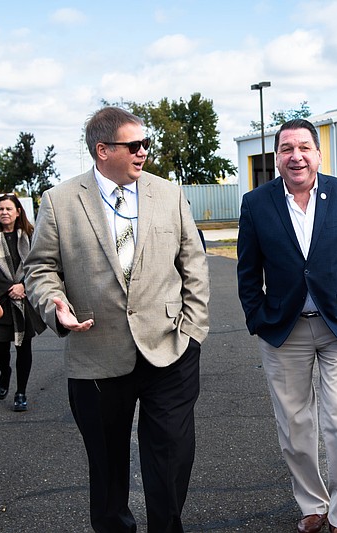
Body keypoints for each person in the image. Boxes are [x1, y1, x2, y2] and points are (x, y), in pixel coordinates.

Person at [24, 106, 210, 533]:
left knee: (171, 457)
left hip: (171, 347)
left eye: (146, 143)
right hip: (97, 352)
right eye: (134, 145)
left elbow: (193, 264)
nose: (144, 151)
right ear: (102, 149)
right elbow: (39, 268)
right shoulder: (60, 201)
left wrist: (193, 330)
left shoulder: (169, 193)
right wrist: (55, 302)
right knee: (107, 468)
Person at [236, 119, 337, 533]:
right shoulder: (256, 203)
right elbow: (248, 271)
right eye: (286, 149)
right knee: (295, 423)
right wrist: (258, 318)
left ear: (318, 154)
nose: (295, 155)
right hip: (284, 329)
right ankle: (312, 504)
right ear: (276, 157)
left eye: (304, 147)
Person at [0, 194, 46, 412]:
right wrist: (9, 288)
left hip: (25, 298)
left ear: (18, 212)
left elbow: (40, 264)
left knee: (24, 347)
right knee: (0, 349)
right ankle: (5, 373)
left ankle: (21, 393)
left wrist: (23, 286)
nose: (4, 212)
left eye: (9, 209)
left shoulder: (31, 235)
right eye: (0, 209)